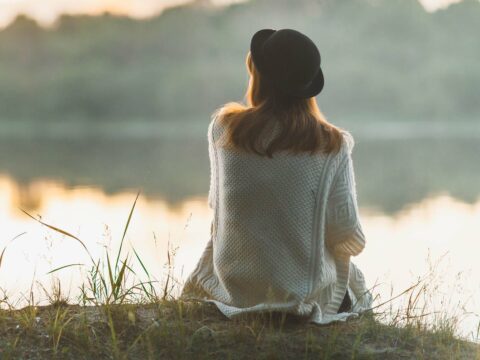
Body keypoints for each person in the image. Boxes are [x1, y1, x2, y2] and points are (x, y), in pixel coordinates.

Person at [181, 28, 372, 324]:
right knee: (352, 282)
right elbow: (347, 235)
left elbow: (217, 206)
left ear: (259, 80)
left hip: (234, 288)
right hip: (299, 299)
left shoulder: (224, 129)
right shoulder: (332, 144)